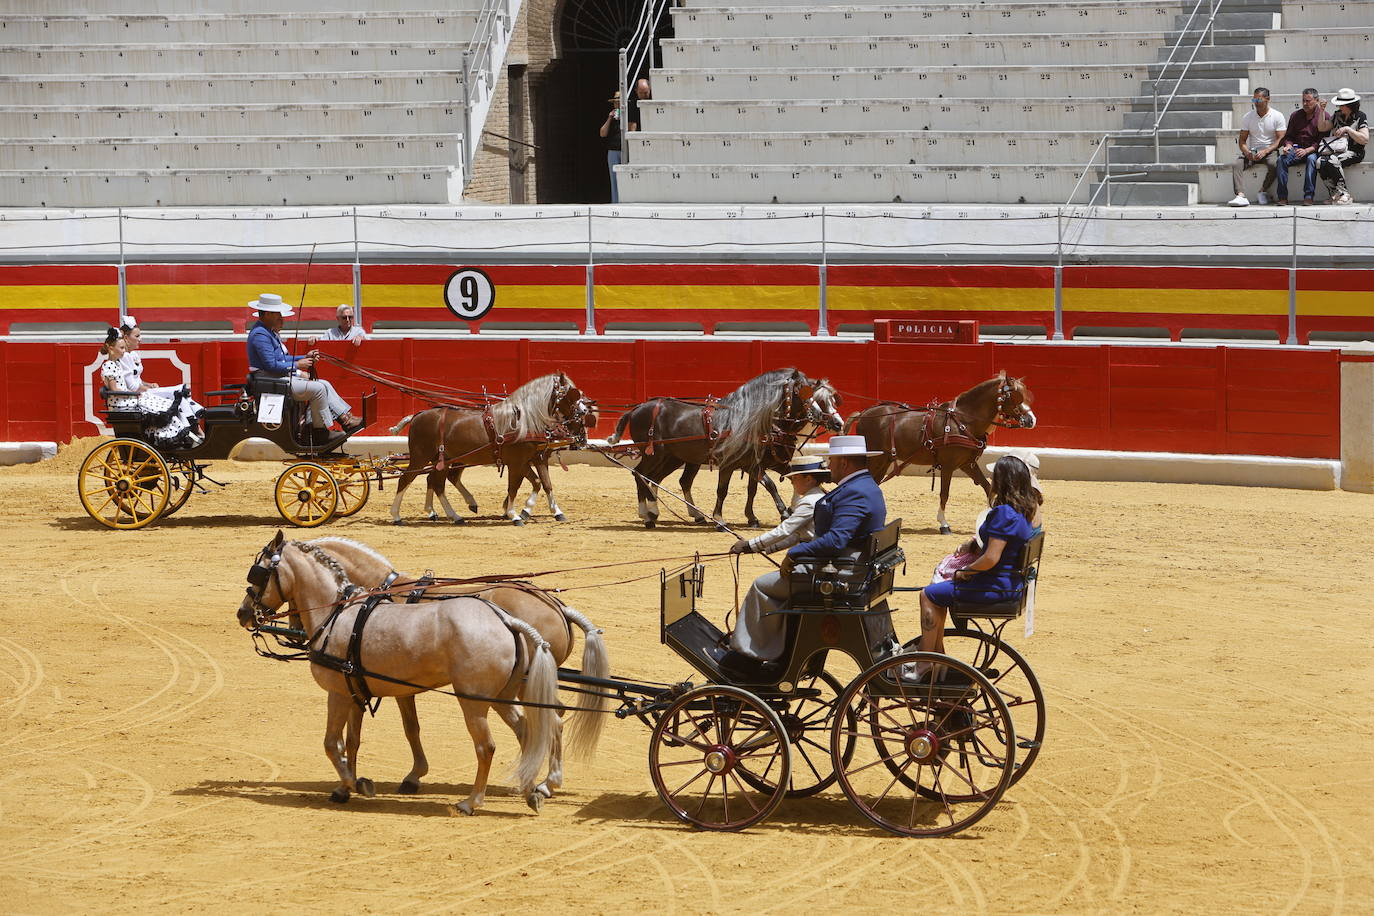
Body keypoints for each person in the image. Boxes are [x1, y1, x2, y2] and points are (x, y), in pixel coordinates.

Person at [710, 435, 886, 676]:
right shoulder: (865, 486)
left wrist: (795, 554)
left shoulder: (854, 492)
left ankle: (747, 656)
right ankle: (780, 650)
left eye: (832, 461)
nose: (829, 466)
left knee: (761, 586)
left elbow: (836, 540)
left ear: (844, 463)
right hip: (851, 566)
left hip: (842, 572)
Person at [916, 456, 1039, 663]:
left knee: (928, 595)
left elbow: (991, 558)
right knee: (939, 595)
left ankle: (925, 660)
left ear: (1004, 480)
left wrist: (966, 571)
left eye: (995, 475)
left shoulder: (1004, 513)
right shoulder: (1024, 511)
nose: (991, 478)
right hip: (1008, 583)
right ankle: (937, 657)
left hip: (992, 586)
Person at [724, 455, 830, 664]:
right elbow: (798, 535)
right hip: (812, 563)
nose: (791, 483)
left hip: (809, 569)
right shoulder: (819, 497)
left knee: (759, 586)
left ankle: (747, 650)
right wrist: (764, 548)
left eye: (794, 479)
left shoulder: (809, 502)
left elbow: (785, 529)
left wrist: (751, 544)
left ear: (809, 478)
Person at [245, 293, 361, 446]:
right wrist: (297, 365)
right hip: (271, 381)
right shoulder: (261, 334)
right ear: (267, 314)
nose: (281, 317)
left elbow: (281, 360)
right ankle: (319, 432)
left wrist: (302, 357)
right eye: (278, 314)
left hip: (275, 379)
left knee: (323, 383)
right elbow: (270, 365)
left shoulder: (267, 332)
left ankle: (345, 418)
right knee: (318, 388)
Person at [99, 328, 203, 448]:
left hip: (127, 401)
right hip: (123, 404)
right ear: (111, 349)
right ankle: (176, 437)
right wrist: (132, 394)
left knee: (166, 404)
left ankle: (186, 435)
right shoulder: (109, 365)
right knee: (162, 407)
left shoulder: (116, 364)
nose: (124, 351)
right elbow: (114, 391)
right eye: (121, 348)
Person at [116, 315, 205, 440]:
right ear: (126, 337)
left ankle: (193, 429)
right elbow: (132, 386)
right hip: (138, 397)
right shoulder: (124, 356)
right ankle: (194, 430)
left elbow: (138, 381)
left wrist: (149, 384)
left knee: (180, 395)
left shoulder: (133, 354)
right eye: (137, 336)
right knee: (178, 392)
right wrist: (150, 389)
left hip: (142, 392)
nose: (140, 339)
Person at [1228, 87, 1287, 207]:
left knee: (1276, 164)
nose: (1256, 103)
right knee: (1237, 164)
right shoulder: (1248, 117)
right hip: (1252, 150)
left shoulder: (1277, 115)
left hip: (1270, 150)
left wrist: (1266, 151)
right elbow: (1242, 141)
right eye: (1254, 100)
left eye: (1259, 100)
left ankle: (1263, 190)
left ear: (1268, 99)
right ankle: (1240, 195)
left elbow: (1281, 139)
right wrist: (1247, 152)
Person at [1277, 88, 1332, 205]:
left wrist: (1307, 150)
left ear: (1316, 101)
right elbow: (1289, 136)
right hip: (1296, 149)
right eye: (1303, 101)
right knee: (1281, 160)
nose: (1305, 104)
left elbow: (1322, 141)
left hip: (1313, 150)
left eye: (1308, 101)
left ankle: (1308, 196)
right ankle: (1282, 197)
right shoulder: (1296, 115)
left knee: (1312, 159)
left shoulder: (1324, 116)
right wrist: (1288, 146)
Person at [1316, 88, 1368, 206]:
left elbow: (1364, 139)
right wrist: (1321, 111)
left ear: (1349, 105)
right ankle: (1334, 194)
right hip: (1337, 151)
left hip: (1354, 151)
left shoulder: (1360, 116)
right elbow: (1322, 127)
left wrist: (1348, 129)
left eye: (1341, 105)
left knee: (1332, 160)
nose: (1339, 107)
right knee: (1319, 161)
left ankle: (1344, 194)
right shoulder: (1336, 115)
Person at [599, 90, 629, 203]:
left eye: (619, 102)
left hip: (624, 150)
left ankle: (625, 200)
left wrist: (623, 119)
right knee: (614, 177)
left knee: (625, 177)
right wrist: (609, 118)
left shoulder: (628, 114)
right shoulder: (611, 117)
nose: (617, 105)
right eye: (615, 103)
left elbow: (632, 128)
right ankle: (615, 201)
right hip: (613, 150)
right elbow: (602, 133)